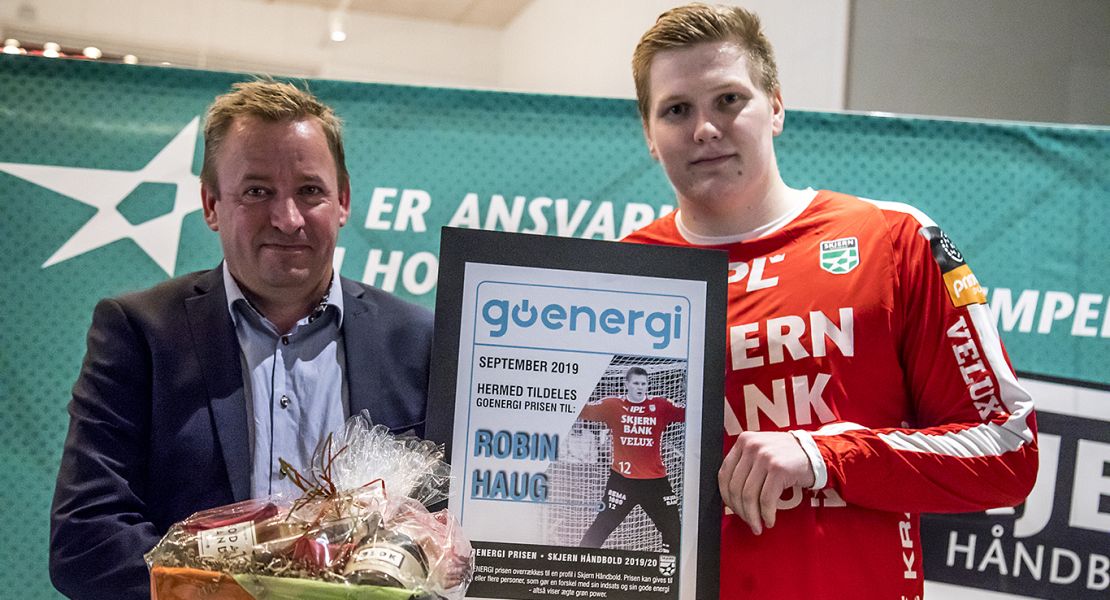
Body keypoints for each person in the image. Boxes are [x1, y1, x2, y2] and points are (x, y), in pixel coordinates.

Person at [623, 4, 1038, 598]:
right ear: (648, 134)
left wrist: (825, 454)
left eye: (729, 99)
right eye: (676, 110)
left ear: (776, 107)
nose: (705, 129)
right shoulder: (619, 274)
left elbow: (1009, 453)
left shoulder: (893, 239)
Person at [49, 81, 433, 600]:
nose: (287, 219)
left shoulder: (418, 341)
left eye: (310, 191)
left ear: (342, 201)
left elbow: (448, 527)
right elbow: (86, 539)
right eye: (257, 192)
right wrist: (231, 592)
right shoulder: (138, 334)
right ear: (211, 204)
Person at [575, 366, 684, 552]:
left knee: (673, 532)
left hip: (655, 483)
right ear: (627, 384)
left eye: (643, 384)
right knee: (600, 528)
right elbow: (582, 411)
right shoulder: (613, 405)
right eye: (636, 383)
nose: (640, 387)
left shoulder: (661, 405)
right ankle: (577, 563)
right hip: (622, 482)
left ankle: (669, 568)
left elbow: (691, 413)